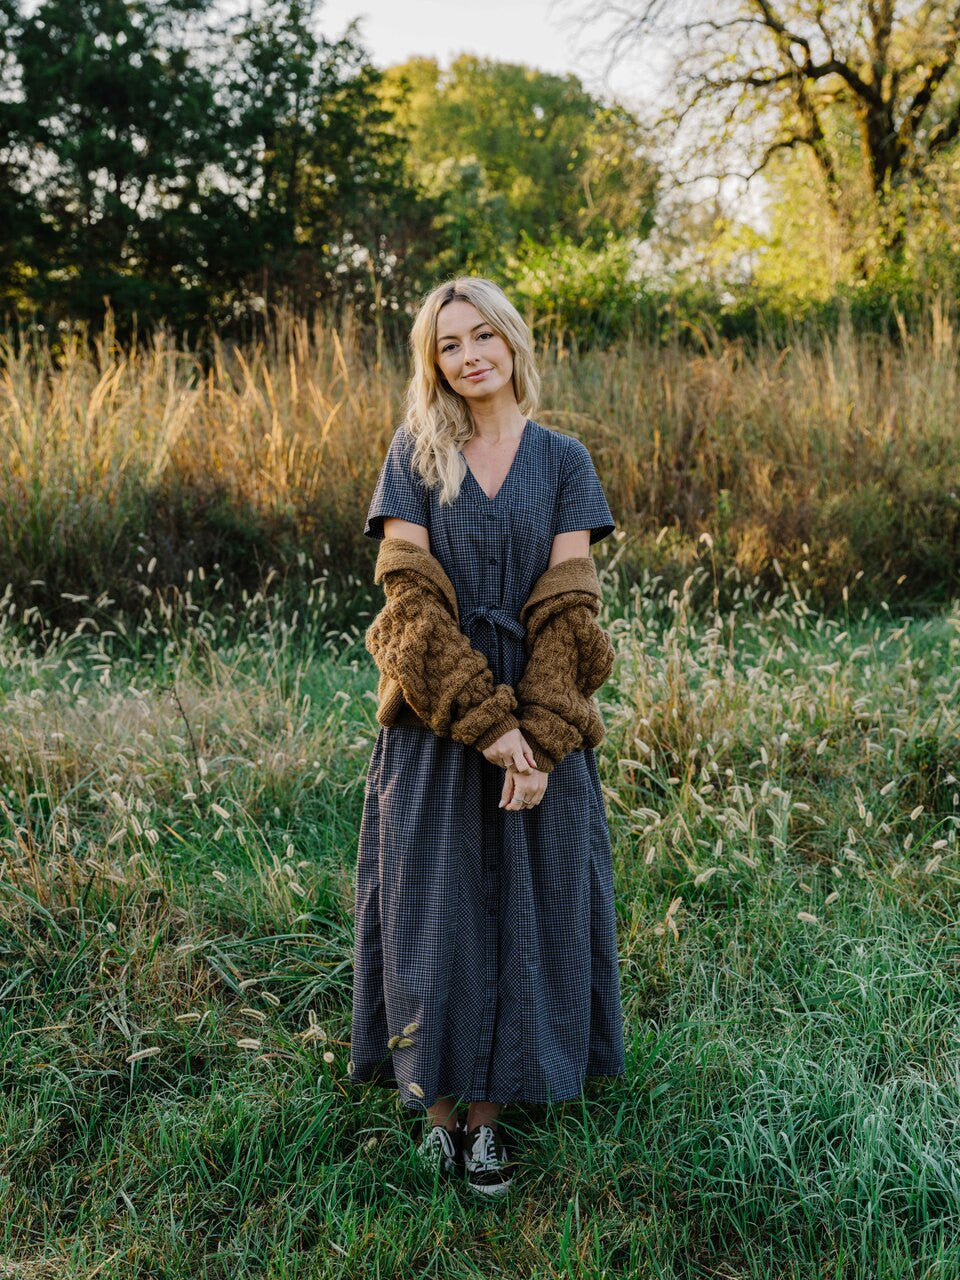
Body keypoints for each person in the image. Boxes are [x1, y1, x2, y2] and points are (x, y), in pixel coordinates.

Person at [348, 276, 625, 1197]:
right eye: (448, 345)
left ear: (511, 342)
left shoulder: (564, 462)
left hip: (538, 728)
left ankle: (490, 1119)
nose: (469, 358)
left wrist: (538, 738)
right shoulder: (416, 456)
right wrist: (485, 725)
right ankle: (435, 1106)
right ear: (434, 363)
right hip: (435, 719)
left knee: (523, 909)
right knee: (437, 908)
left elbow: (569, 610)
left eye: (482, 338)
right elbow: (411, 608)